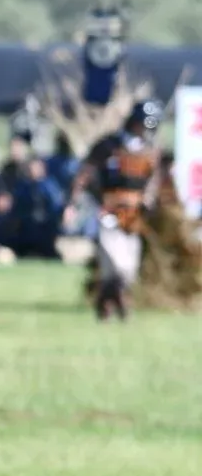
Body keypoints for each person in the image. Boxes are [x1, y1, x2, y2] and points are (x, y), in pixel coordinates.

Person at [72, 99, 162, 320]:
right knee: (114, 264)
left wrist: (149, 198)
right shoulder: (109, 146)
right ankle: (118, 304)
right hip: (108, 210)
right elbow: (86, 172)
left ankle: (106, 302)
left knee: (128, 269)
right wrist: (74, 201)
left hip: (133, 216)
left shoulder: (149, 151)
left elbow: (153, 178)